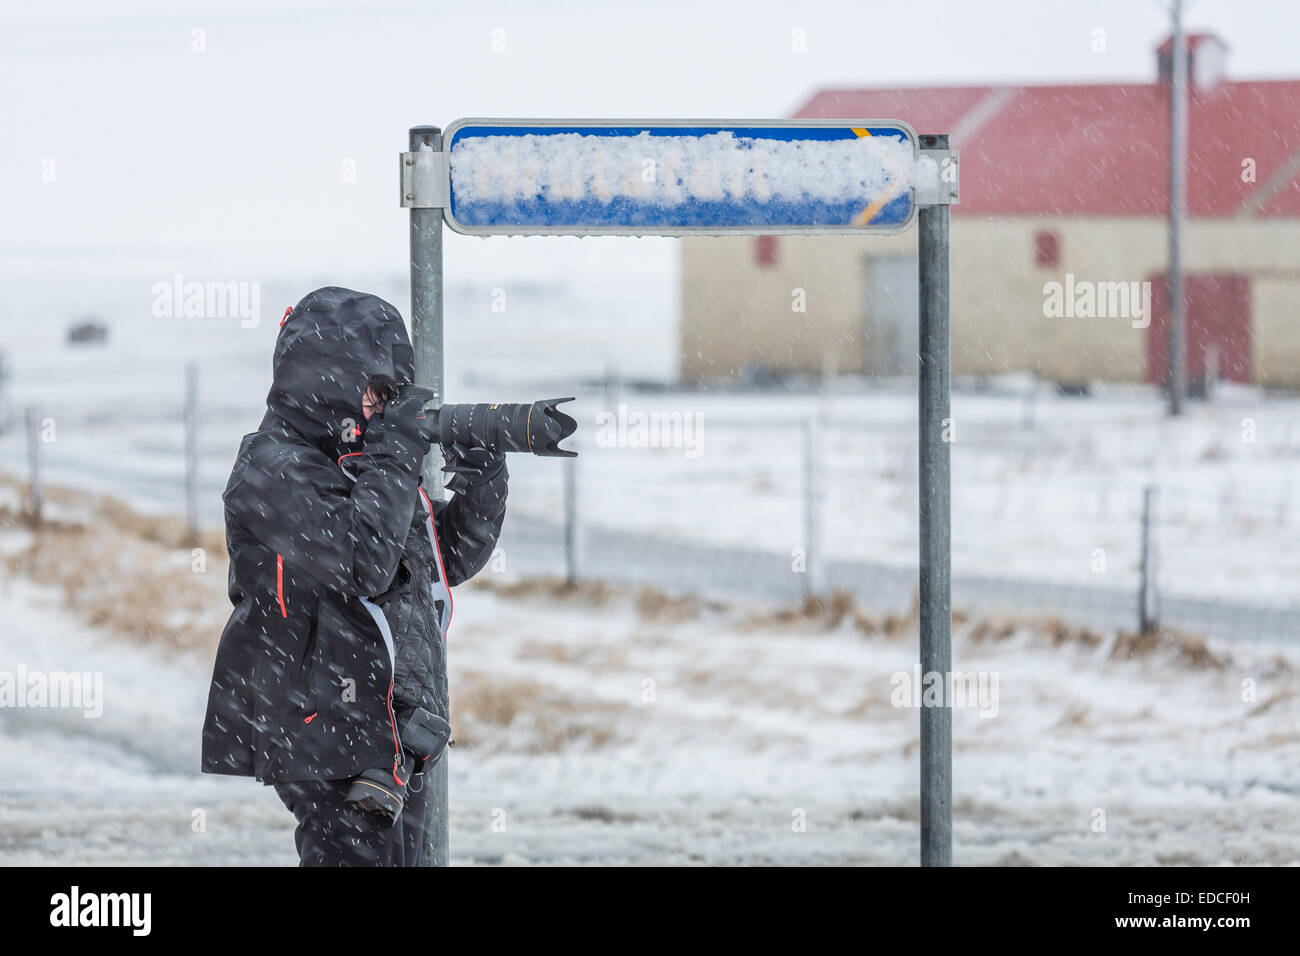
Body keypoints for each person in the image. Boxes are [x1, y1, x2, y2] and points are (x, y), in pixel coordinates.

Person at [201, 286, 507, 866]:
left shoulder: (364, 471)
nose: (379, 408)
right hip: (321, 725)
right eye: (374, 391)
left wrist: (486, 476)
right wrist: (398, 452)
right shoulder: (270, 469)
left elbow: (440, 559)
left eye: (390, 395)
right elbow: (363, 560)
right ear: (327, 379)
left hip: (384, 728)